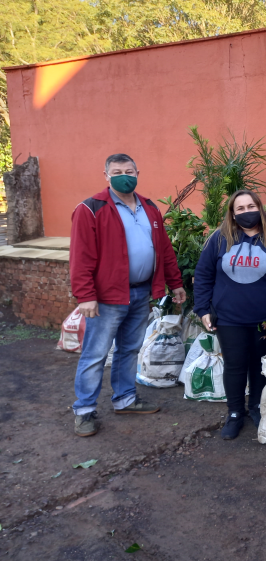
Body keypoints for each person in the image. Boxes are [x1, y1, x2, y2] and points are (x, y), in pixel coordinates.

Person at [70, 153, 186, 437]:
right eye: (117, 171)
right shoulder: (91, 209)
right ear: (106, 175)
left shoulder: (149, 208)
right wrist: (85, 295)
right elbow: (81, 257)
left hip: (141, 293)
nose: (125, 175)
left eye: (129, 170)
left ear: (137, 173)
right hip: (107, 297)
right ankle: (84, 410)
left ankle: (125, 400)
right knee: (95, 354)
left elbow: (164, 251)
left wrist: (175, 283)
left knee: (129, 349)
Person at [193, 189, 266, 440]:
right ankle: (234, 413)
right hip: (230, 318)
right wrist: (202, 308)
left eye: (250, 206)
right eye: (240, 209)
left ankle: (257, 408)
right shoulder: (219, 239)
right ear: (232, 213)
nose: (246, 212)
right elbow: (204, 275)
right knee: (235, 366)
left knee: (260, 367)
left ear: (260, 208)